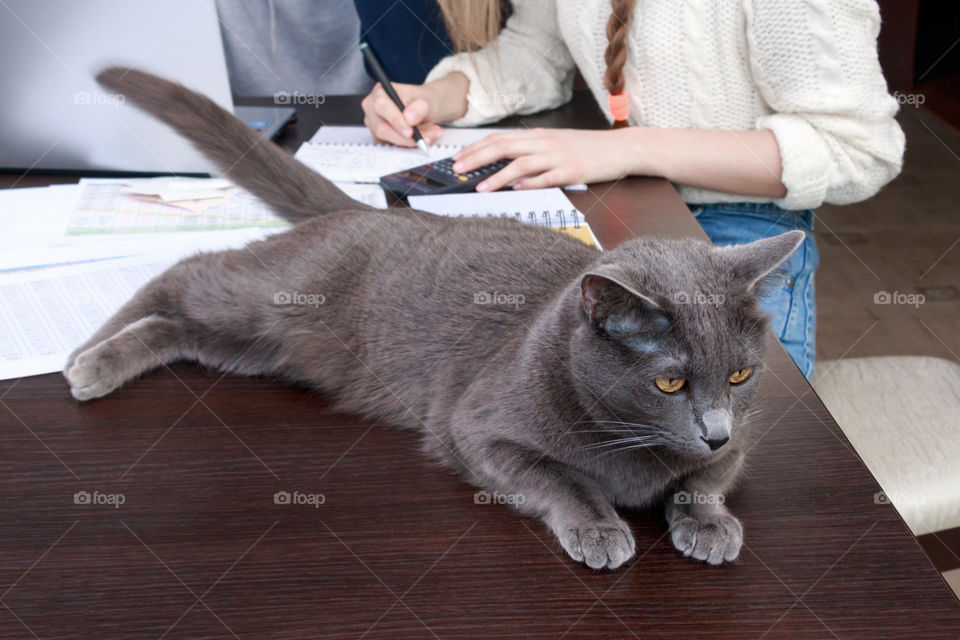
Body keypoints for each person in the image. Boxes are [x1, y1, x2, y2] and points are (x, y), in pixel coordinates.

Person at [359, 0, 906, 379]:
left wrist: (628, 148)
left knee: (704, 465)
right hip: (631, 201)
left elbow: (857, 148)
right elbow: (531, 53)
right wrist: (435, 95)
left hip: (742, 225)